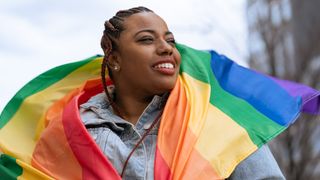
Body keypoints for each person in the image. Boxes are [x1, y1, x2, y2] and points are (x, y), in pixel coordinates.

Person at [79, 6, 285, 179]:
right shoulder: (77, 128)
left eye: (170, 41)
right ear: (114, 59)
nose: (166, 48)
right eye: (146, 40)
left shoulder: (216, 120)